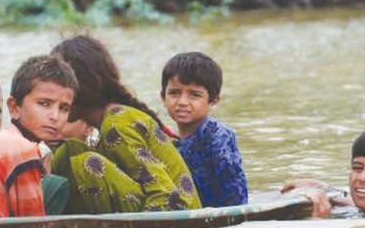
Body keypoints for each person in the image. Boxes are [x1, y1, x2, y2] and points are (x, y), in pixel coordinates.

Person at [50, 35, 202, 214]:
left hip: (178, 214)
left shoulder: (117, 124)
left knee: (88, 164)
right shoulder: (108, 122)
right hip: (156, 207)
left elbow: (165, 195)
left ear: (80, 89)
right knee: (67, 153)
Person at [0, 55, 78, 219]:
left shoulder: (8, 139)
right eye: (44, 104)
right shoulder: (21, 149)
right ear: (14, 107)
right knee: (58, 185)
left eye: (64, 108)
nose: (55, 116)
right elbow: (33, 224)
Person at [161, 51, 248, 207]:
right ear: (163, 97)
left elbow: (234, 189)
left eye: (194, 95)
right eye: (174, 93)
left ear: (213, 101)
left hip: (218, 214)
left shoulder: (218, 136)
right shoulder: (165, 141)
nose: (182, 102)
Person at [281, 127, 365, 218]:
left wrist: (319, 222)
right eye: (358, 168)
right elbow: (348, 200)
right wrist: (317, 186)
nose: (363, 177)